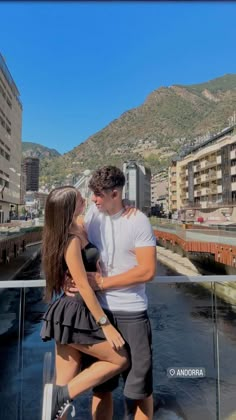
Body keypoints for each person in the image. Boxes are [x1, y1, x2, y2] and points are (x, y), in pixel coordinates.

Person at [67, 166, 157, 420]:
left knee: (140, 391)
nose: (93, 199)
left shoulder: (138, 220)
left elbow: (147, 271)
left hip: (132, 313)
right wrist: (65, 276)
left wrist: (103, 283)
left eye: (98, 194)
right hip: (99, 314)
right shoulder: (92, 216)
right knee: (102, 388)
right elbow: (66, 238)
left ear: (115, 194)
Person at [40, 186, 129, 420]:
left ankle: (60, 395)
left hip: (69, 312)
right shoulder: (69, 241)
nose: (86, 199)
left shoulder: (77, 226)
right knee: (118, 359)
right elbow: (84, 287)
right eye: (80, 198)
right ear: (71, 205)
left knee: (58, 403)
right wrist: (105, 324)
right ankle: (63, 394)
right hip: (76, 310)